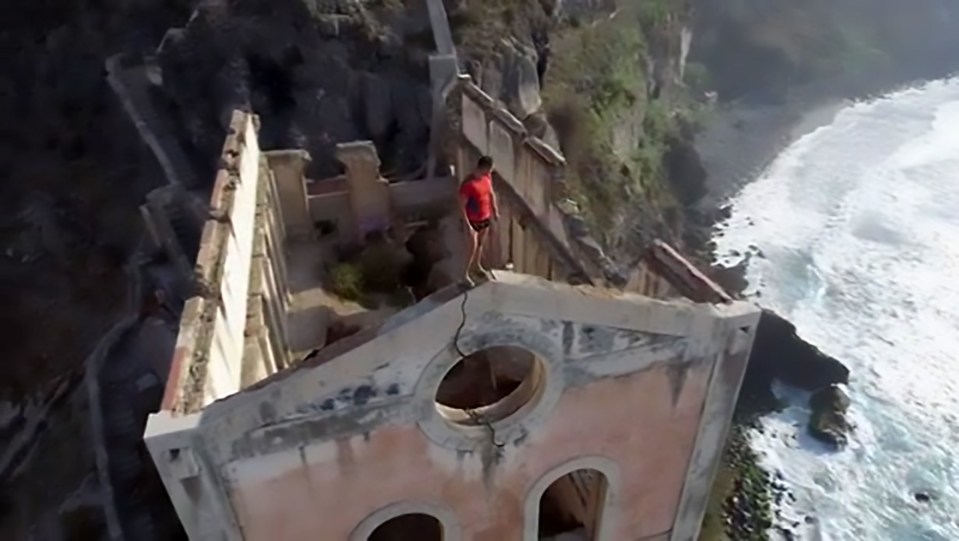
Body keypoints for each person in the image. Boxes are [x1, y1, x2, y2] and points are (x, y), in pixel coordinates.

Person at [459, 155, 499, 284]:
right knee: (472, 246)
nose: (491, 172)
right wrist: (467, 224)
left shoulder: (487, 177)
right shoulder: (469, 183)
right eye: (490, 169)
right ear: (484, 167)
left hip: (485, 216)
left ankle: (477, 266)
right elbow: (461, 205)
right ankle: (464, 274)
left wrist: (495, 210)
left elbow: (491, 193)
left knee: (480, 244)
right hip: (472, 219)